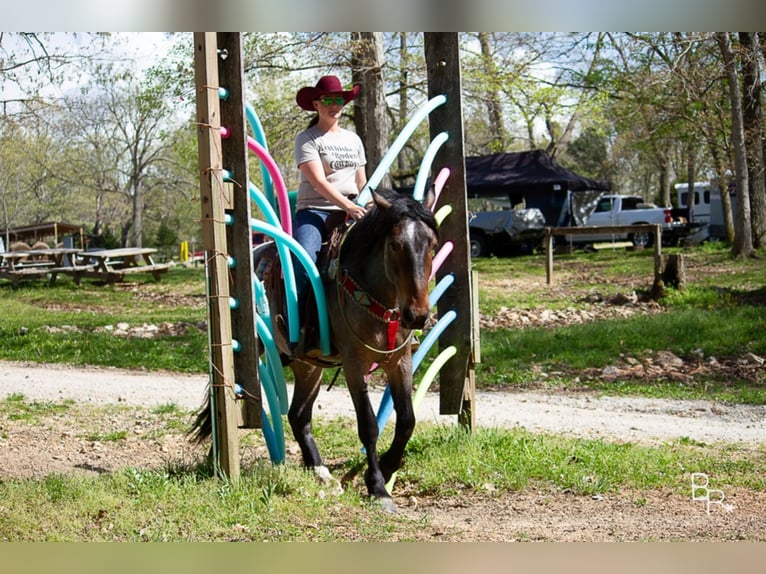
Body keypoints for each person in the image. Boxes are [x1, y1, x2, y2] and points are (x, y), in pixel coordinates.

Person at [292, 75, 368, 326]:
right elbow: (318, 182)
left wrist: (366, 204)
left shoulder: (354, 139)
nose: (334, 105)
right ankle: (301, 326)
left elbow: (361, 182)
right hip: (316, 211)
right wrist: (348, 206)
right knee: (305, 259)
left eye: (339, 100)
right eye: (328, 100)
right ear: (316, 104)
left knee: (385, 253)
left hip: (353, 210)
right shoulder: (307, 139)